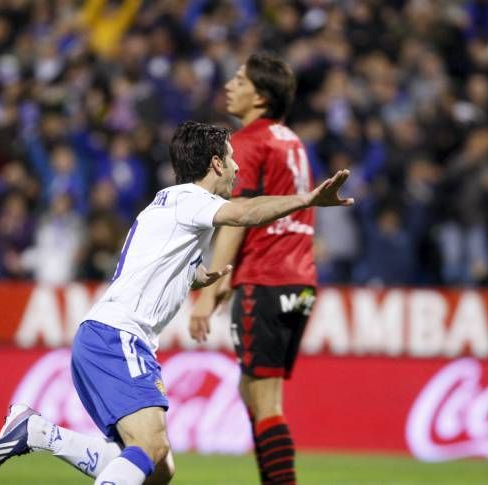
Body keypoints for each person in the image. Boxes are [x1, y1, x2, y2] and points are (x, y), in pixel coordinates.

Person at [0, 121, 354, 485]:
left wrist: (195, 277)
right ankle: (37, 432)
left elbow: (151, 262)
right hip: (118, 337)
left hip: (110, 337)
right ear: (216, 163)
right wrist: (307, 200)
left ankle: (38, 432)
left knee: (159, 468)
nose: (238, 166)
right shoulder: (192, 199)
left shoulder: (169, 204)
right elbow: (243, 215)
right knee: (151, 447)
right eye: (231, 157)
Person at [189, 53, 316, 484]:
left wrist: (210, 289)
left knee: (264, 403)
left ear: (260, 97)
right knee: (258, 393)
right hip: (300, 279)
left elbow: (238, 215)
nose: (229, 84)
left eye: (240, 80)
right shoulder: (292, 141)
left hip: (265, 275)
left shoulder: (248, 140)